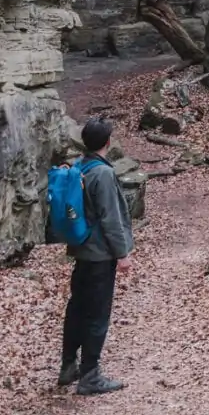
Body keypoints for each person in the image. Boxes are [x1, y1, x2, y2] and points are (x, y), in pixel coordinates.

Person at [59, 117, 133, 395]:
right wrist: (122, 253)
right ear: (108, 143)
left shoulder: (80, 166)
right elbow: (111, 218)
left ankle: (68, 366)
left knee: (77, 308)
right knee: (97, 314)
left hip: (81, 252)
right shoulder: (102, 173)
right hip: (100, 256)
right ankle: (90, 375)